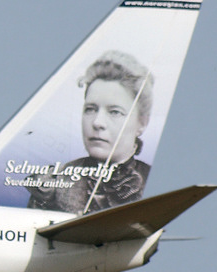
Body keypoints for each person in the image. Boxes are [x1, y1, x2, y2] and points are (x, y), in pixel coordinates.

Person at [27, 51, 153, 214]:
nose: (97, 123)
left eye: (114, 112)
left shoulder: (151, 181)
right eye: (90, 109)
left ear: (141, 123)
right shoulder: (56, 181)